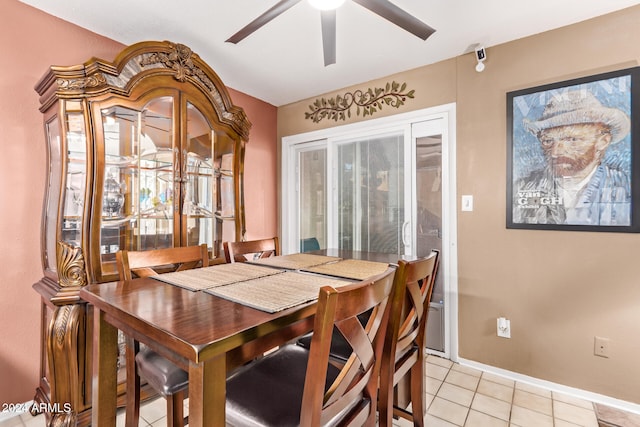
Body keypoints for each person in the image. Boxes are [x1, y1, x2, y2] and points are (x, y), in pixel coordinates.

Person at [513, 90, 631, 226]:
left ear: (602, 142)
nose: (555, 152)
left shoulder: (626, 188)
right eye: (548, 141)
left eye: (571, 139)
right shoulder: (522, 188)